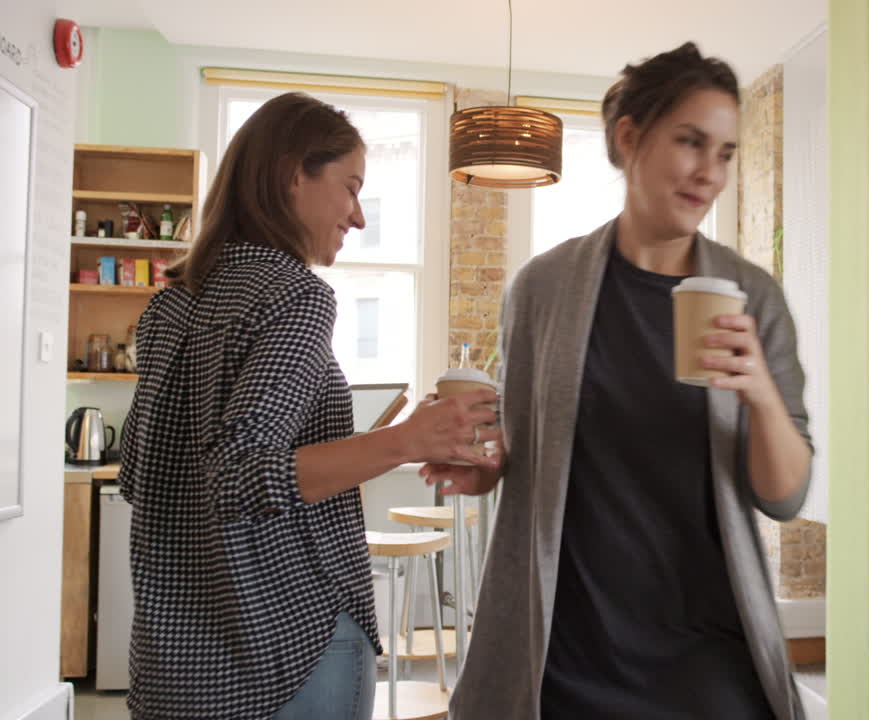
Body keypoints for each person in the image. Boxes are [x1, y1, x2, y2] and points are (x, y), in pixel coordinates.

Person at [428, 42, 813, 719]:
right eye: (690, 142)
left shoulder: (752, 296)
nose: (710, 173)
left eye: (725, 153)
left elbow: (785, 497)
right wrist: (478, 465)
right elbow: (521, 454)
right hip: (568, 662)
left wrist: (758, 391)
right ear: (629, 138)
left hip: (709, 664)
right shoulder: (542, 289)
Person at [118, 92, 500, 720]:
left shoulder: (170, 305)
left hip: (173, 662)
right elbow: (240, 476)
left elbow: (140, 476)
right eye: (351, 188)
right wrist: (406, 440)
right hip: (285, 647)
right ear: (294, 174)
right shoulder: (296, 295)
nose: (359, 217)